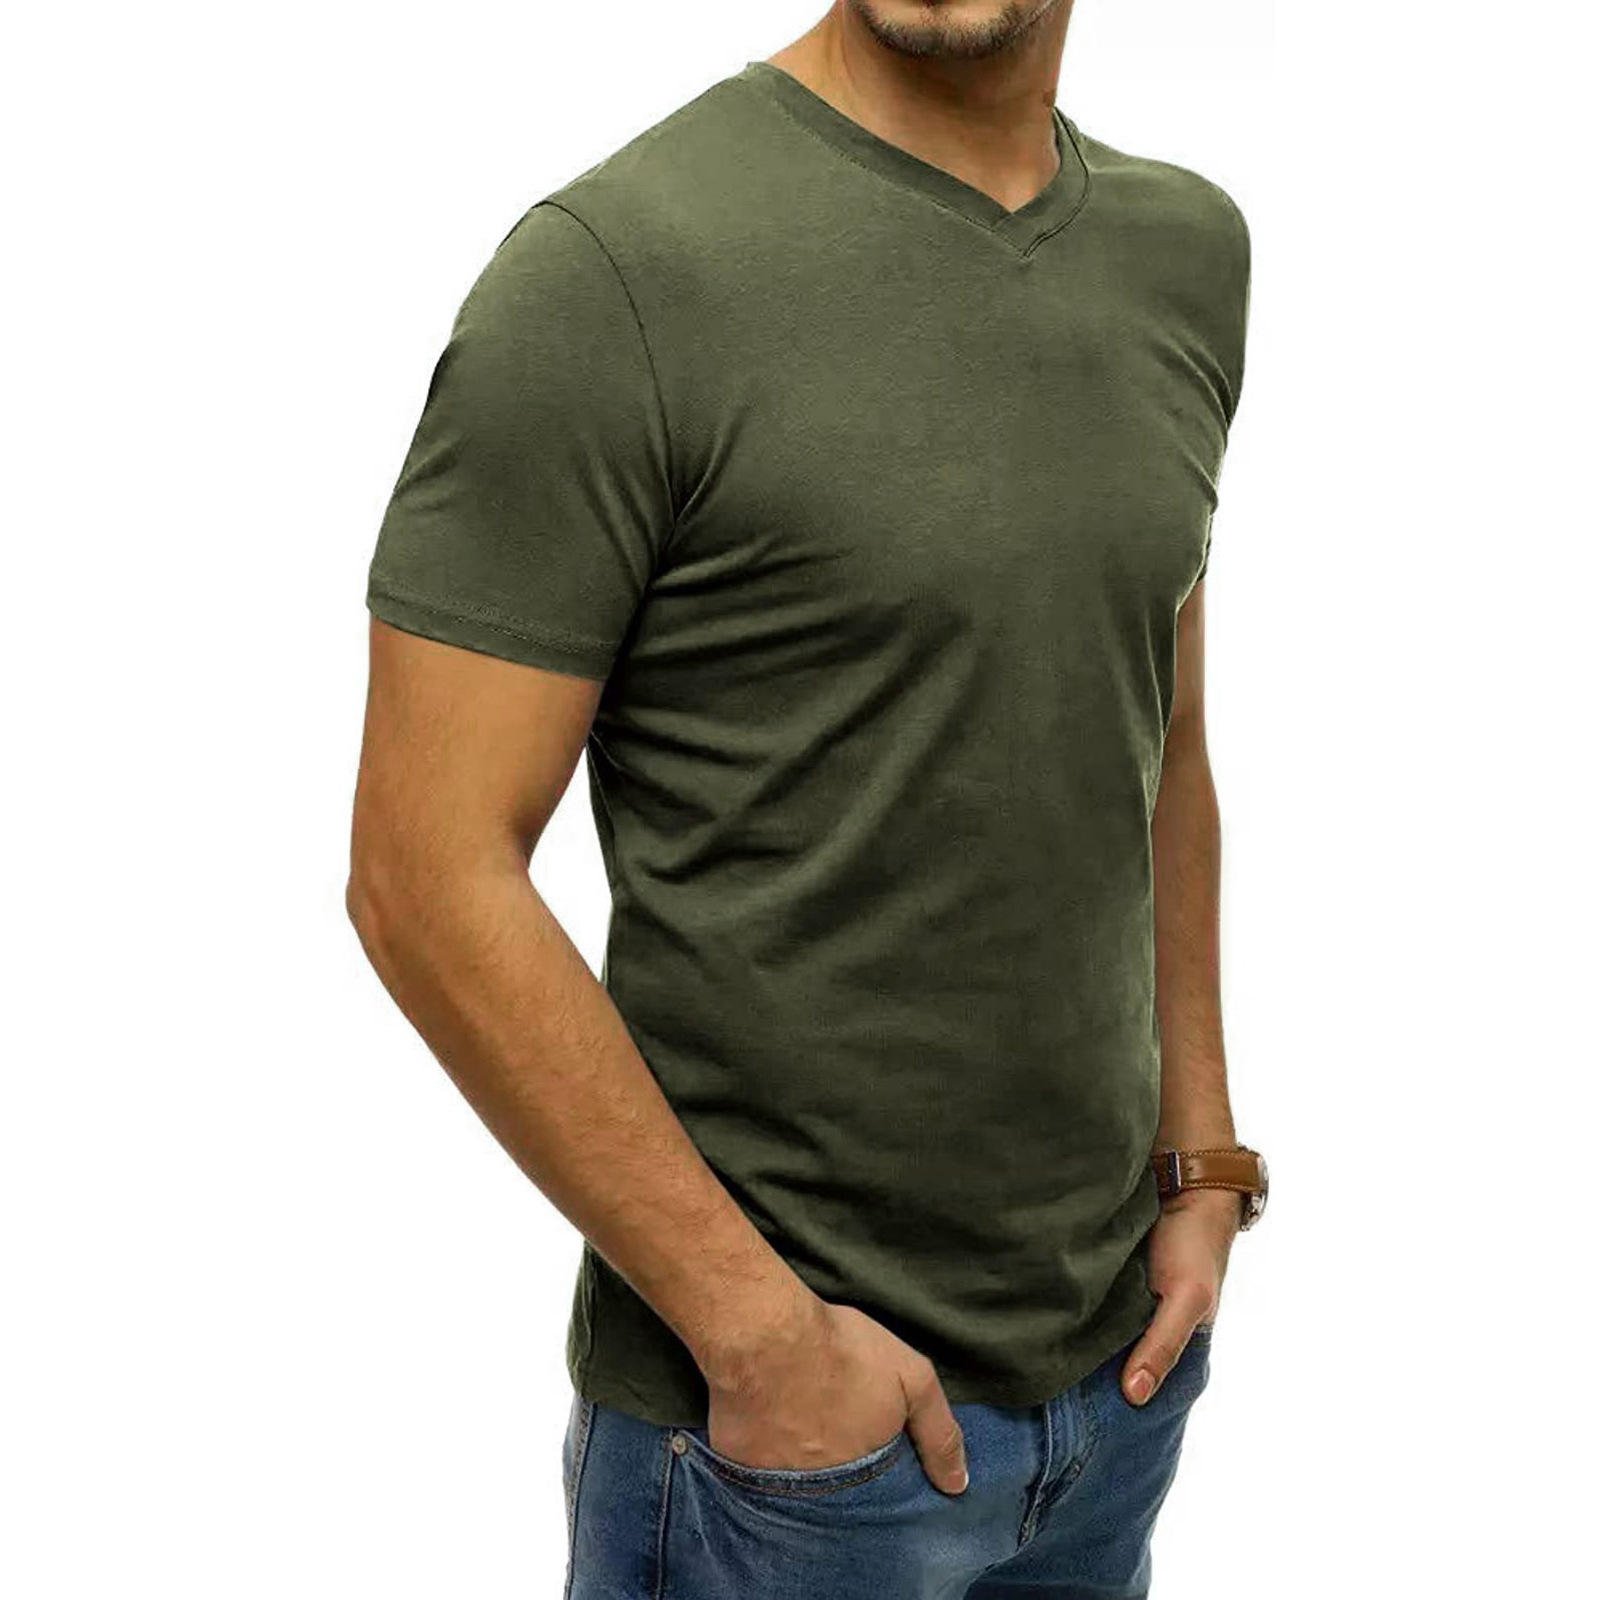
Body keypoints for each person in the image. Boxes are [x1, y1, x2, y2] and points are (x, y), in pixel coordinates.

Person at [348, 3, 1267, 1594]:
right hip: (783, 1460)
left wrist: (1201, 1159)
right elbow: (422, 870)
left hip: (1116, 1394)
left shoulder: (1185, 251)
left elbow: (1161, 732)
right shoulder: (614, 275)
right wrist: (757, 1336)